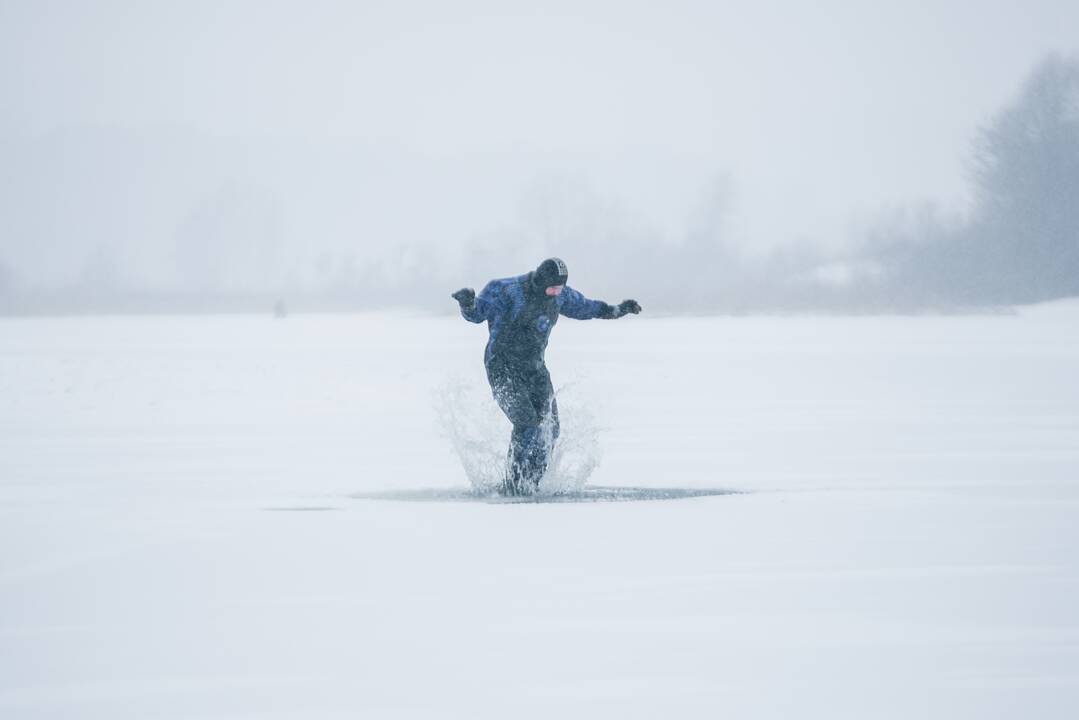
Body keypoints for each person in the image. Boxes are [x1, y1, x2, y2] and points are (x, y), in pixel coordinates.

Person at [452, 257, 641, 495]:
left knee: (550, 429)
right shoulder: (507, 290)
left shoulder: (559, 295)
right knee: (526, 423)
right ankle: (514, 484)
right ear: (540, 282)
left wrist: (618, 309)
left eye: (559, 288)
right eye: (551, 288)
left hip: (534, 368)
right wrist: (467, 304)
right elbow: (477, 313)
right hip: (502, 367)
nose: (555, 294)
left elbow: (587, 307)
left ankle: (532, 482)